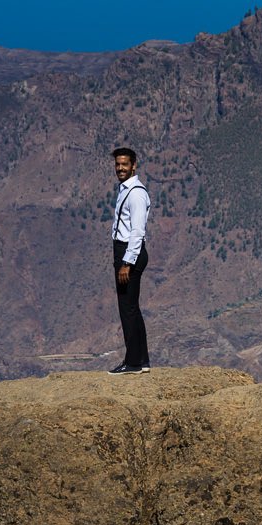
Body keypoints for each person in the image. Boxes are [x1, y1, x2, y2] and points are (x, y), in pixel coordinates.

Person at [109, 146, 151, 374]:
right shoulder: (126, 189)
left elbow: (137, 231)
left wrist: (126, 262)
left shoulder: (135, 193)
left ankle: (133, 362)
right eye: (118, 164)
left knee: (127, 309)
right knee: (132, 307)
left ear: (134, 165)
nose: (120, 168)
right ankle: (141, 359)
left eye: (125, 164)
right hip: (126, 251)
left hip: (129, 252)